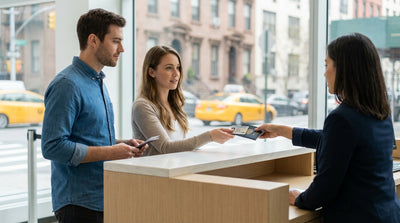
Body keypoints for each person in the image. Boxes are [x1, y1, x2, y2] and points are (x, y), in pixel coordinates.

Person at [255, 33, 400, 222]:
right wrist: (283, 131)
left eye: (327, 65)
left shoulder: (342, 118)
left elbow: (325, 187)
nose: (324, 73)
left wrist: (299, 198)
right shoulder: (380, 111)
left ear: (345, 70)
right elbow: (337, 141)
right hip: (387, 214)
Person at [41, 8, 147, 223]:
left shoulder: (97, 81)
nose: (122, 49)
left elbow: (88, 136)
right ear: (93, 40)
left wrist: (122, 145)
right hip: (79, 205)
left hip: (103, 197)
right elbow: (52, 146)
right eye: (116, 41)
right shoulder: (67, 85)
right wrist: (111, 151)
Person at [131, 45, 234, 156]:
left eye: (178, 67)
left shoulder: (175, 105)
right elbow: (165, 147)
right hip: (154, 172)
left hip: (175, 169)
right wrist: (210, 136)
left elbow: (179, 146)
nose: (176, 74)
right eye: (169, 68)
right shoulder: (142, 106)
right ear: (151, 72)